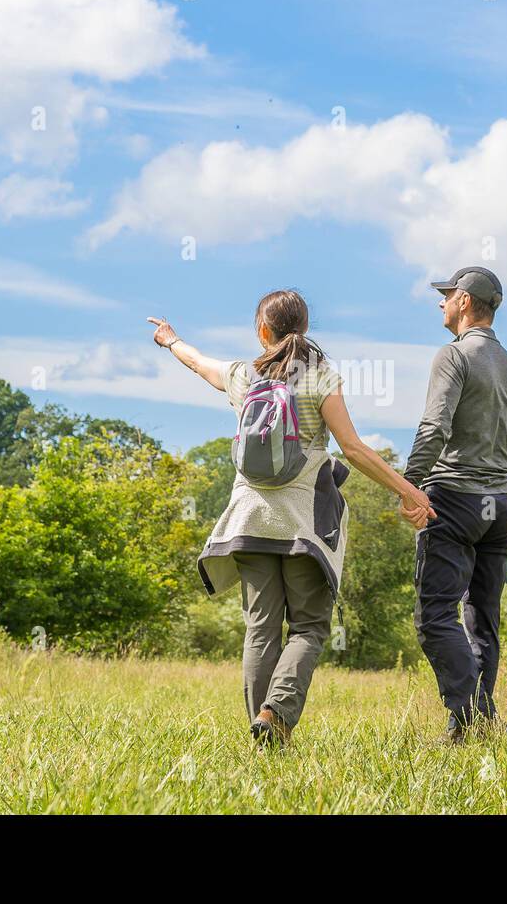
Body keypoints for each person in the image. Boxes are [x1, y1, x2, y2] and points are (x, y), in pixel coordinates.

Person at [148, 290, 433, 747]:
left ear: (263, 330)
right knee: (309, 627)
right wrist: (409, 490)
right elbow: (354, 450)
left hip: (249, 521)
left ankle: (263, 733)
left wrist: (170, 339)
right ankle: (275, 715)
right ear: (304, 328)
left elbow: (198, 362)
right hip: (303, 526)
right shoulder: (320, 377)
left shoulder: (244, 375)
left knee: (260, 629)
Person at [401, 266, 507, 743]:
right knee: (483, 618)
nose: (441, 303)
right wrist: (500, 489)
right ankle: (469, 725)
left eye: (446, 295)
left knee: (435, 616)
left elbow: (434, 427)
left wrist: (410, 485)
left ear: (464, 301)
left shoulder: (453, 357)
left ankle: (472, 714)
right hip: (501, 506)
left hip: (454, 499)